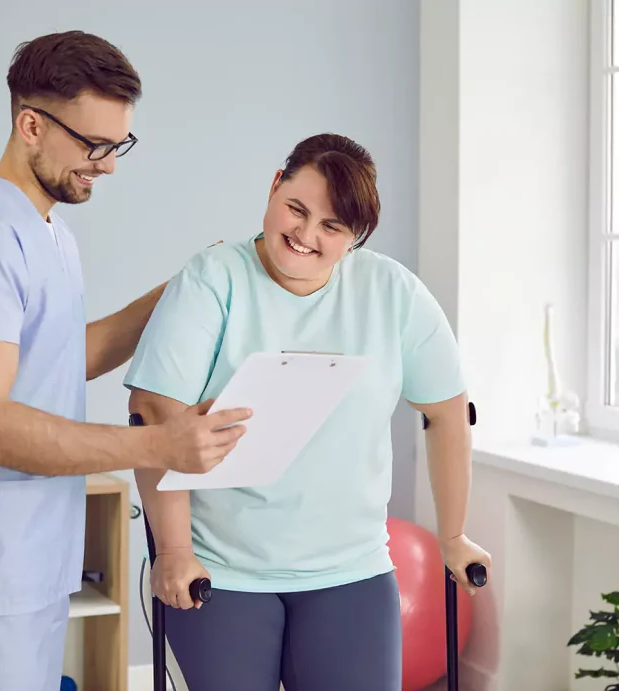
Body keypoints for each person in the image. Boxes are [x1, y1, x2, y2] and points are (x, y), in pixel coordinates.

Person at [0, 31, 252, 691]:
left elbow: (63, 357)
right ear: (30, 125)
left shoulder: (49, 232)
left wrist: (181, 290)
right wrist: (158, 444)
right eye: (95, 145)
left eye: (119, 145)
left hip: (32, 563)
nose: (109, 165)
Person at [124, 133, 492, 691]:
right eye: (296, 208)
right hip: (223, 569)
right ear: (275, 186)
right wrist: (174, 552)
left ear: (355, 239)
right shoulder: (212, 278)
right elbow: (155, 412)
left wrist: (454, 535)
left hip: (351, 568)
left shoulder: (392, 292)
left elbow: (448, 411)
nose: (305, 235)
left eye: (332, 227)